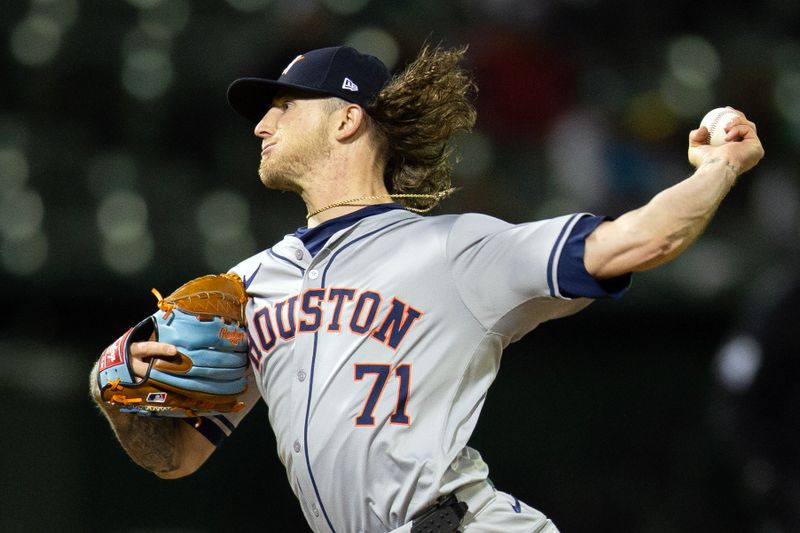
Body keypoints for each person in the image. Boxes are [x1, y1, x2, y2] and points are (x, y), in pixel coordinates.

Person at [90, 44, 764, 533]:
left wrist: (719, 169)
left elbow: (642, 239)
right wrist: (114, 389)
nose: (263, 124)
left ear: (347, 119)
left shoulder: (454, 248)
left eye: (284, 105)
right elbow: (176, 456)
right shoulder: (245, 287)